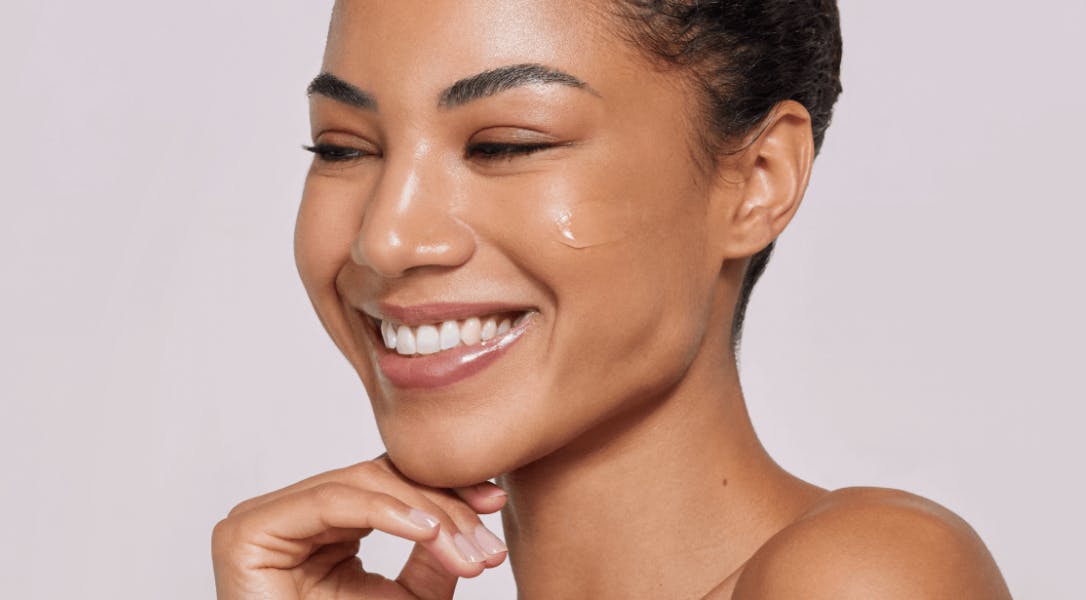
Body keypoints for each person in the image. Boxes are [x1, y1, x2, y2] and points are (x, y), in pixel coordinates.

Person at [212, 1, 1012, 597]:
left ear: (756, 180)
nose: (384, 239)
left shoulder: (863, 576)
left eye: (504, 145)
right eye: (342, 147)